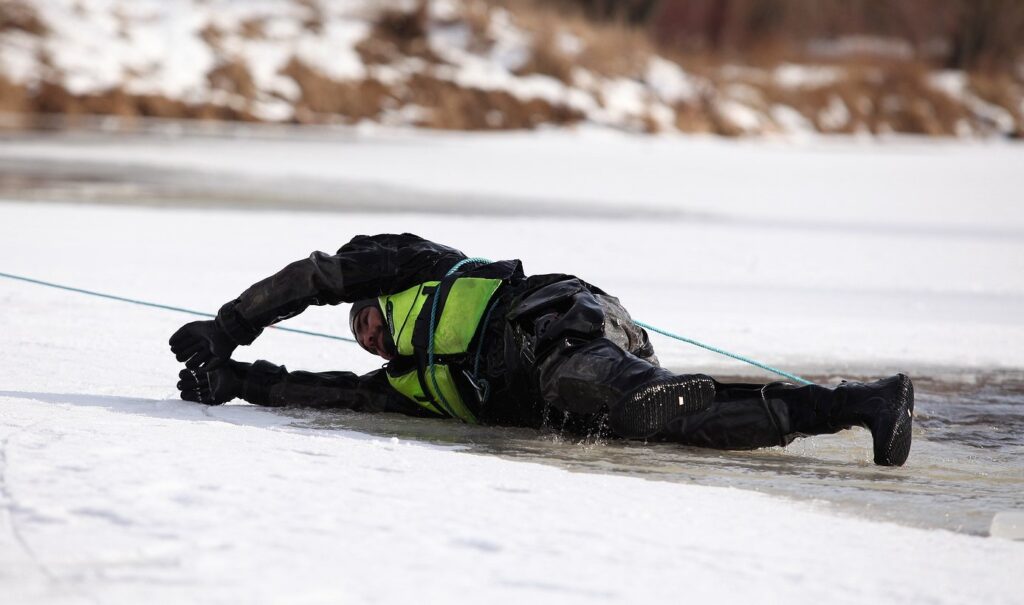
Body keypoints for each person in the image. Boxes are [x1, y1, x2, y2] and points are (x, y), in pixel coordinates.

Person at [170, 233, 915, 466]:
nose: (366, 332)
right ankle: (864, 404)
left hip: (563, 320)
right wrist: (235, 379)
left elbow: (318, 276)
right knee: (695, 423)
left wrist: (229, 326)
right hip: (575, 398)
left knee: (577, 375)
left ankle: (630, 391)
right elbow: (319, 392)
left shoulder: (419, 266)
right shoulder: (402, 388)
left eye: (366, 318)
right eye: (362, 337)